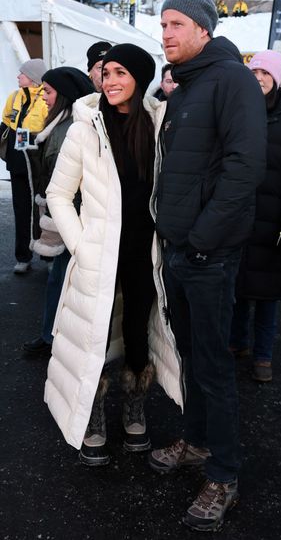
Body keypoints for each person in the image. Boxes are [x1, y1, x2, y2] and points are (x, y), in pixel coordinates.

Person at [148, 0, 266, 532]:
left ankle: (224, 473)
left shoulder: (232, 80)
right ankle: (197, 443)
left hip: (207, 254)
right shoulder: (190, 84)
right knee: (193, 356)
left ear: (202, 28)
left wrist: (201, 240)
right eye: (163, 23)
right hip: (180, 250)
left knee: (215, 367)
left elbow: (244, 169)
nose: (166, 33)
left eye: (176, 23)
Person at [43, 44, 166, 466]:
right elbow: (59, 194)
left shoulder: (158, 124)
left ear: (140, 78)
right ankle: (92, 414)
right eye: (105, 72)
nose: (110, 81)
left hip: (145, 253)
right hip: (100, 253)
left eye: (121, 73)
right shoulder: (85, 127)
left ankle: (134, 403)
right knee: (94, 336)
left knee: (136, 332)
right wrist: (80, 244)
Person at [230, 50, 281, 382]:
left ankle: (263, 356)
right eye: (254, 72)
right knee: (237, 287)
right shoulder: (237, 112)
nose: (259, 77)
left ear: (276, 78)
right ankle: (237, 344)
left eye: (266, 72)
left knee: (267, 295)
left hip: (273, 221)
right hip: (238, 215)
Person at [22, 67, 95, 356]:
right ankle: (51, 335)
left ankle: (55, 339)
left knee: (63, 281)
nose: (43, 97)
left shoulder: (67, 131)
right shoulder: (61, 125)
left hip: (69, 220)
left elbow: (68, 183)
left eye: (48, 92)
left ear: (63, 95)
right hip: (64, 218)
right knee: (59, 280)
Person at [0, 59, 48, 273]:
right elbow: (6, 124)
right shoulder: (14, 97)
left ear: (33, 77)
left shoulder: (46, 96)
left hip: (39, 162)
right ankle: (23, 257)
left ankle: (48, 256)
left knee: (44, 209)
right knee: (21, 209)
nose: (18, 76)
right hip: (18, 163)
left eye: (23, 73)